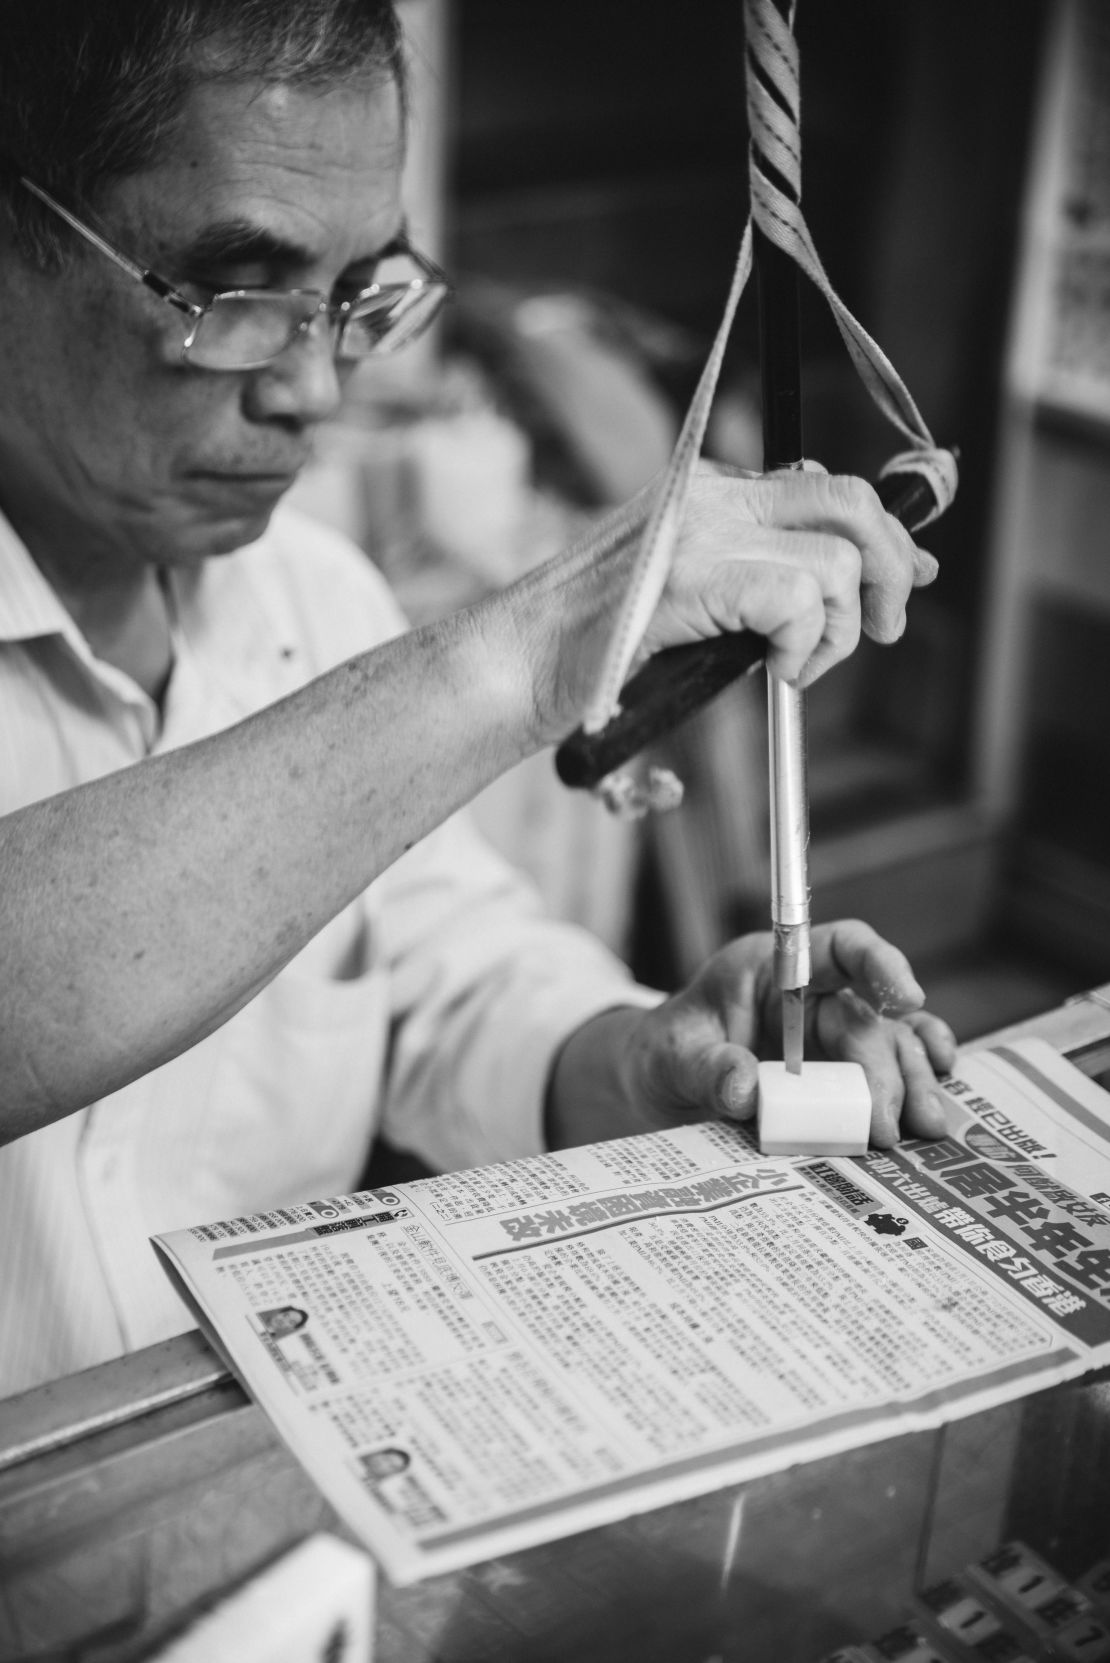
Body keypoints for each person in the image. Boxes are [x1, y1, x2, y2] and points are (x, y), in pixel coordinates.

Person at [0, 0, 956, 1398]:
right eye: (233, 295)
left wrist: (642, 1054)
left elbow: (446, 984)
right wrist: (523, 646)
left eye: (354, 297)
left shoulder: (308, 599)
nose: (316, 390)